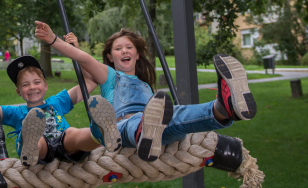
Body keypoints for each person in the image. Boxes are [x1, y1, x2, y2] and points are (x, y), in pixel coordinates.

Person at [35, 21, 257, 162]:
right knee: (139, 121)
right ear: (110, 57)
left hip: (157, 133)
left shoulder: (145, 85)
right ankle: (145, 131)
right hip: (122, 129)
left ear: (137, 54)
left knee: (177, 115)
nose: (124, 51)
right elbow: (82, 58)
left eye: (129, 47)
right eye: (118, 48)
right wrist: (53, 39)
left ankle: (223, 108)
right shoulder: (109, 75)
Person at [0, 55, 122, 167]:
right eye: (25, 85)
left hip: (63, 143)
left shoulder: (57, 101)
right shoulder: (15, 112)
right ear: (18, 91)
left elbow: (89, 82)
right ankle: (30, 147)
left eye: (37, 82)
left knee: (72, 133)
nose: (32, 87)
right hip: (40, 152)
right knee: (39, 140)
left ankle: (101, 133)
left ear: (45, 85)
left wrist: (77, 52)